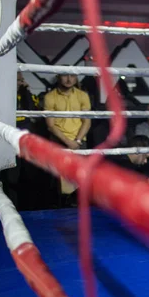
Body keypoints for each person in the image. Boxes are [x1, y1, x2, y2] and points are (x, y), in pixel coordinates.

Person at [44, 72, 91, 206]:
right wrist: (69, 142)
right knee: (60, 180)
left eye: (72, 76)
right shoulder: (50, 97)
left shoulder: (82, 95)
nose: (69, 79)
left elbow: (87, 122)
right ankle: (61, 210)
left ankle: (79, 210)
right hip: (60, 141)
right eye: (65, 75)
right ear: (58, 77)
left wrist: (77, 141)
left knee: (80, 179)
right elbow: (51, 126)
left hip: (79, 141)